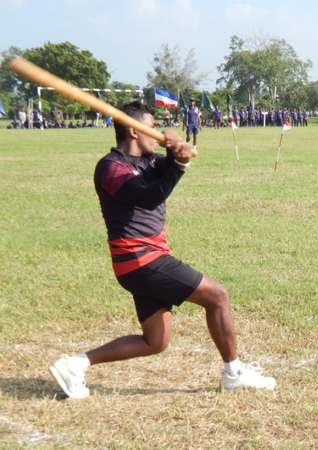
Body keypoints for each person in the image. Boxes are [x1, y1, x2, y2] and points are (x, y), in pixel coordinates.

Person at [48, 101, 275, 399]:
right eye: (152, 128)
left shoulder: (149, 161)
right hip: (140, 259)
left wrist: (175, 148)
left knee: (155, 341)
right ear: (134, 130)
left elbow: (170, 163)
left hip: (145, 261)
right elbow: (147, 197)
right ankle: (233, 373)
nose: (156, 134)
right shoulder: (111, 166)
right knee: (217, 295)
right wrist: (179, 164)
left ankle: (74, 365)